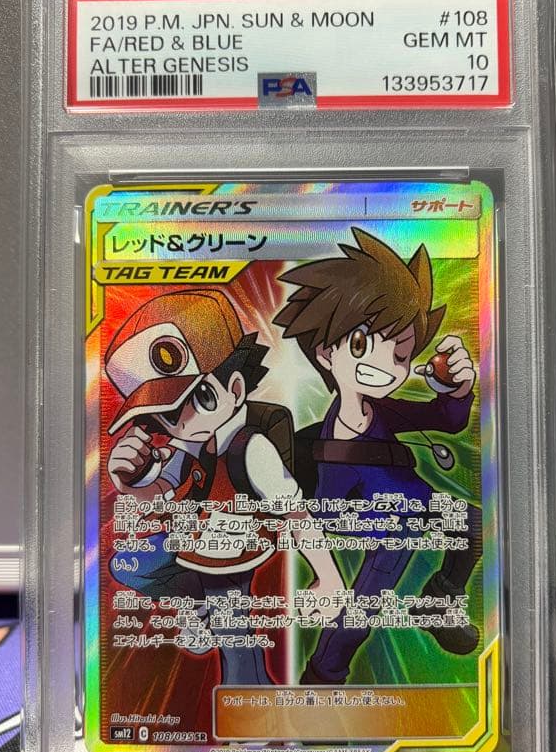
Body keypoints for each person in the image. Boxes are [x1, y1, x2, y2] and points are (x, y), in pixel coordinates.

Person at [104, 289, 343, 686]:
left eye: (200, 397)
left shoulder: (252, 448)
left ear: (234, 389)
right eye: (167, 415)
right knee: (130, 563)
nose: (184, 421)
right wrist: (126, 482)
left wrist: (329, 577)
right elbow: (161, 490)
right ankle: (195, 606)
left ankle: (252, 708)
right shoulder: (188, 445)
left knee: (235, 644)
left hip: (232, 549)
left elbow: (296, 513)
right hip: (193, 537)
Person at [274, 228, 482, 685]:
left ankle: (440, 601)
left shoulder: (383, 410)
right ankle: (322, 676)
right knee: (362, 610)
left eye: (401, 353)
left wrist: (457, 389)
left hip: (414, 507)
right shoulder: (329, 438)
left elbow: (445, 420)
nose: (387, 366)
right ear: (326, 354)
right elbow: (325, 504)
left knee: (472, 525)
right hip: (387, 524)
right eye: (362, 345)